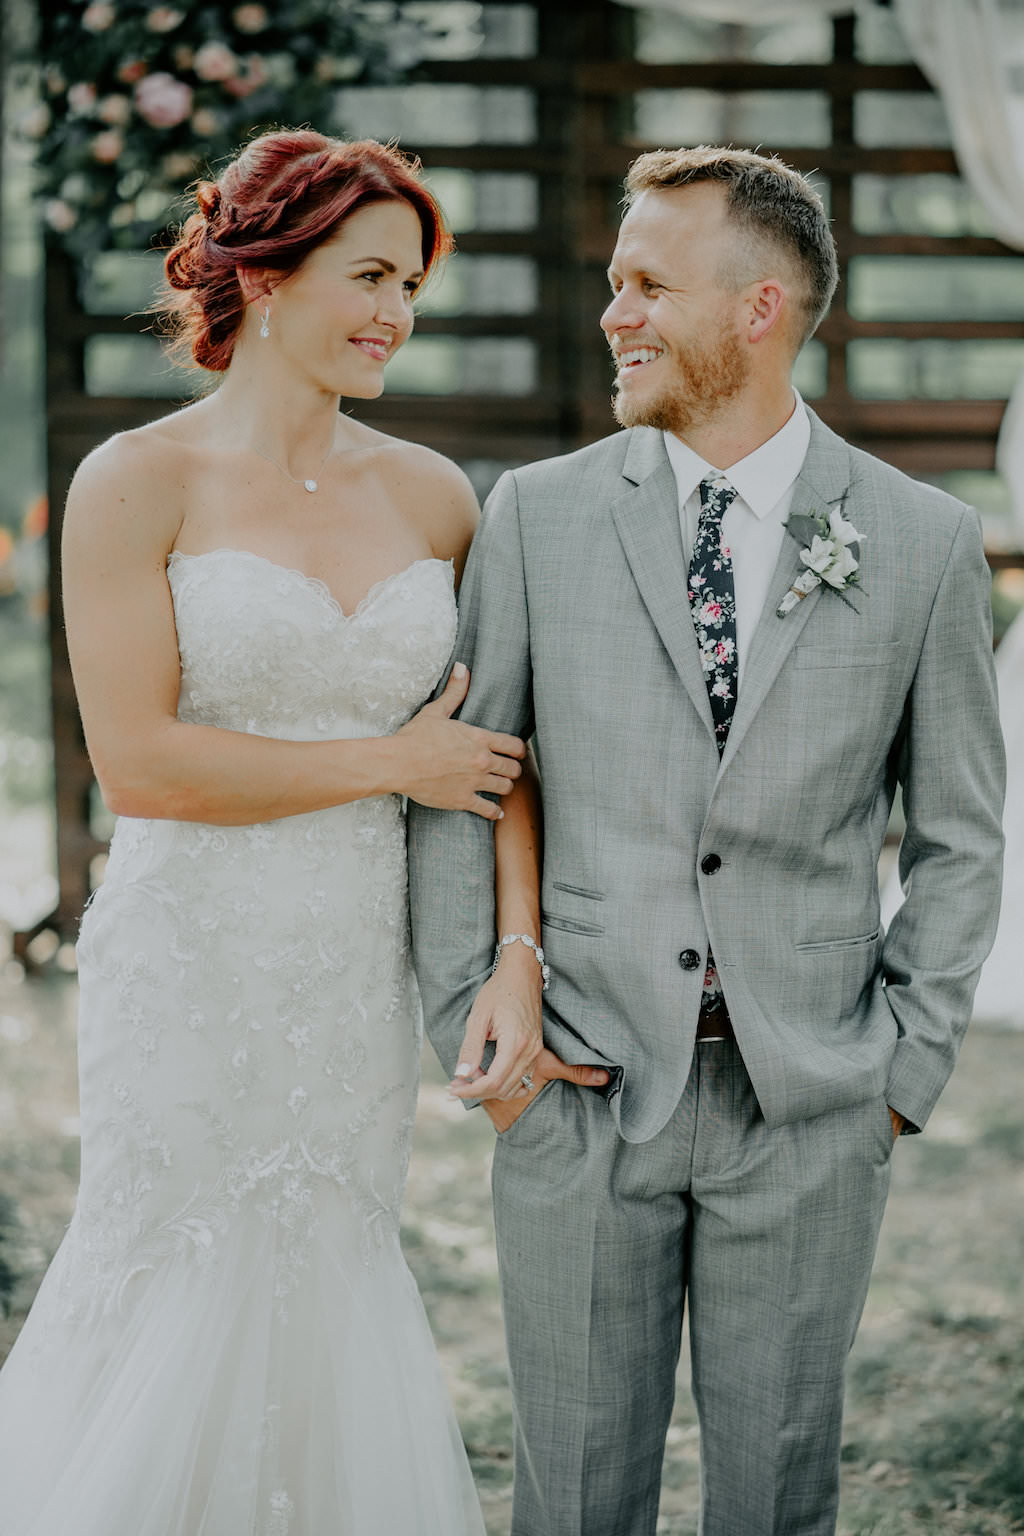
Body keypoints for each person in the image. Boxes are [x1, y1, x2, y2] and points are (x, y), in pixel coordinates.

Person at [408, 144, 1006, 1536]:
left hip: (809, 1106)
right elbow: (467, 776)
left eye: (647, 285)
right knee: (572, 1499)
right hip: (578, 1094)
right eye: (611, 284)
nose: (611, 314)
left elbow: (962, 836)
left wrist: (897, 1077)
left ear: (762, 307)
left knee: (780, 1499)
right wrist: (486, 1038)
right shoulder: (538, 518)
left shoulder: (921, 544)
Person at [0, 129, 546, 1536]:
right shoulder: (137, 479)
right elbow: (144, 763)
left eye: (412, 286)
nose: (395, 316)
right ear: (264, 273)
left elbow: (496, 750)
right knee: (175, 1258)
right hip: (192, 958)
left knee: (329, 1257)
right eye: (369, 274)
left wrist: (516, 953)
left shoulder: (436, 495)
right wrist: (395, 762)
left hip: (352, 965)